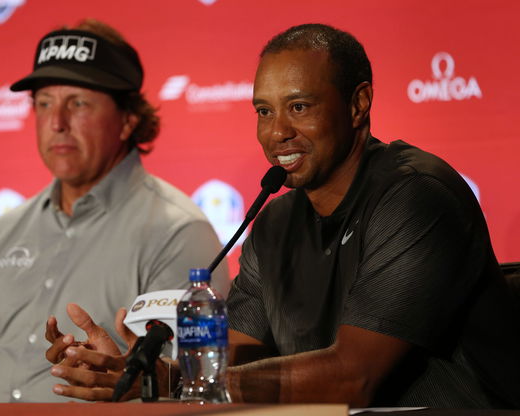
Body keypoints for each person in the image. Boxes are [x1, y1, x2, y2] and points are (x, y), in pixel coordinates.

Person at [43, 23, 520, 408]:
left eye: (299, 107)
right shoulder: (274, 224)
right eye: (264, 111)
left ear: (359, 104)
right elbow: (237, 356)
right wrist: (150, 369)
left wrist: (180, 383)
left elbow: (353, 378)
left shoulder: (416, 196)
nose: (277, 133)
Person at [0, 19, 229, 403]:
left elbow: (197, 387)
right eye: (43, 103)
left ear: (127, 120)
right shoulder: (1, 233)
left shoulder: (177, 232)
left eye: (79, 103)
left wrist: (129, 382)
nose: (57, 123)